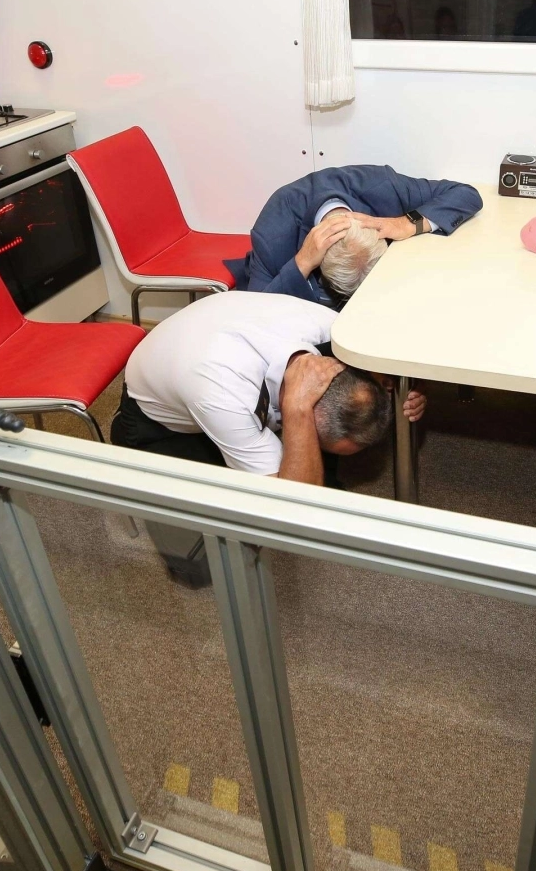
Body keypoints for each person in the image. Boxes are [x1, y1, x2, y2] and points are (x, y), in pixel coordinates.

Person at [115, 290, 423, 584]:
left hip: (217, 378)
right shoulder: (224, 392)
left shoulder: (334, 331)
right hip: (162, 426)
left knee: (314, 483)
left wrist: (406, 392)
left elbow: (394, 366)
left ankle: (263, 461)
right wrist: (297, 409)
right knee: (202, 566)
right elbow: (291, 513)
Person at [230, 165, 483, 306]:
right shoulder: (273, 231)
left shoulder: (381, 186)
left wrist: (406, 223)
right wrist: (302, 263)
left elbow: (466, 194)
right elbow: (255, 314)